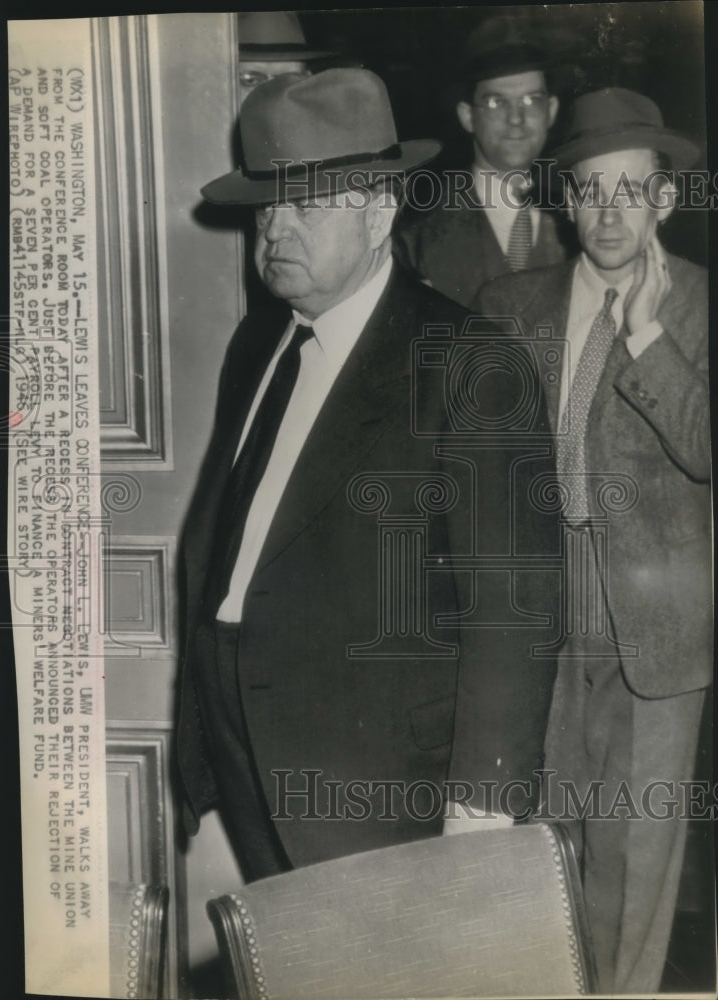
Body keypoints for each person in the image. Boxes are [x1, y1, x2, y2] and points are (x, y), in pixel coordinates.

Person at [176, 68, 560, 883]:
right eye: (266, 206)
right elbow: (223, 548)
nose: (276, 229)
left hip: (381, 785)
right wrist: (201, 764)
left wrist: (483, 807)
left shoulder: (469, 361)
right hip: (247, 765)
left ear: (380, 211)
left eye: (307, 204)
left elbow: (512, 602)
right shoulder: (257, 347)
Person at [474, 87, 710, 993]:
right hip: (537, 603)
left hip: (658, 620)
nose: (610, 213)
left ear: (664, 202)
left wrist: (646, 333)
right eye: (590, 190)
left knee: (634, 857)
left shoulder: (697, 306)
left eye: (631, 192)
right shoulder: (507, 303)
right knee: (536, 842)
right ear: (564, 199)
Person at [395, 15, 570, 308]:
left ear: (550, 110)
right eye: (496, 102)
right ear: (467, 116)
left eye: (531, 101)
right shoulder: (417, 234)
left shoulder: (580, 222)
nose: (516, 119)